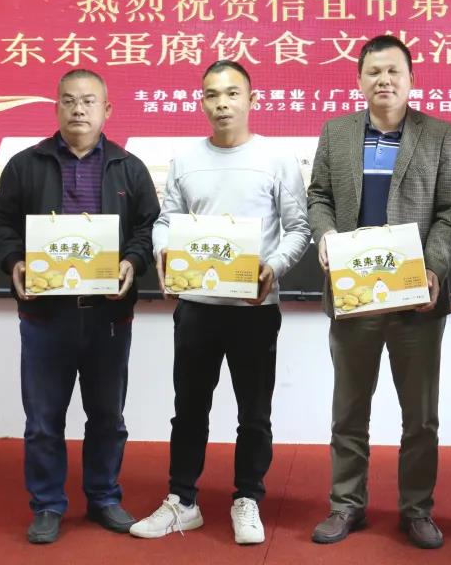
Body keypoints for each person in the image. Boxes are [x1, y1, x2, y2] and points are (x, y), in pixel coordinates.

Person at [130, 60, 310, 545]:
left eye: (232, 93)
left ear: (252, 99)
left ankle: (247, 497)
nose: (222, 103)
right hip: (196, 307)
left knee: (254, 413)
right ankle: (182, 501)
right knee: (189, 408)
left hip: (254, 308)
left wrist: (274, 267)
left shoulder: (277, 158)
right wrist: (164, 252)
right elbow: (165, 220)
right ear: (202, 102)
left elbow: (298, 228)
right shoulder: (187, 159)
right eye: (212, 95)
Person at [0, 68, 160, 545]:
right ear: (57, 106)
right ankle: (47, 504)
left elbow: (148, 226)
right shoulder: (25, 165)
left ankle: (103, 497)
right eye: (68, 100)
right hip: (46, 315)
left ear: (107, 109)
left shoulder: (129, 167)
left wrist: (132, 261)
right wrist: (14, 261)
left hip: (107, 315)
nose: (78, 109)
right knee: (43, 420)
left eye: (88, 101)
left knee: (107, 417)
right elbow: (0, 222)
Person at [306, 34, 451, 549]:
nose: (384, 80)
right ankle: (346, 504)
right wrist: (325, 235)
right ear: (359, 80)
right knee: (349, 412)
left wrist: (434, 267)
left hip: (416, 299)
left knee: (420, 417)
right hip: (354, 296)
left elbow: (450, 211)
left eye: (394, 71)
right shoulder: (336, 133)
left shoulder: (440, 134)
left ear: (412, 79)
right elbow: (319, 197)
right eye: (374, 72)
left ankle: (417, 509)